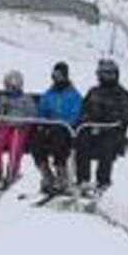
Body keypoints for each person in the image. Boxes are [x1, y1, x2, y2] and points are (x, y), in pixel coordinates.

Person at [75, 58, 128, 193]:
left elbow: (124, 117)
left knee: (106, 144)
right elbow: (83, 110)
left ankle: (103, 181)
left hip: (112, 133)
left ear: (115, 75)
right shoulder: (94, 92)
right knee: (81, 138)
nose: (106, 77)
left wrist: (104, 125)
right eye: (103, 74)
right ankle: (83, 180)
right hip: (91, 130)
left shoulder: (122, 95)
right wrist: (87, 122)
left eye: (109, 74)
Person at [31, 62, 82, 194]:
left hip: (66, 129)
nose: (56, 78)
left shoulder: (73, 95)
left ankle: (62, 174)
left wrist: (62, 123)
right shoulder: (49, 93)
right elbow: (42, 109)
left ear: (65, 76)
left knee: (58, 139)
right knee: (36, 141)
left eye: (59, 75)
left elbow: (75, 115)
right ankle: (46, 174)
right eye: (54, 75)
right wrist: (43, 122)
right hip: (51, 127)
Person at [0, 69, 38, 188]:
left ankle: (11, 172)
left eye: (12, 86)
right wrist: (1, 109)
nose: (10, 89)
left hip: (20, 126)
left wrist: (25, 121)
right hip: (5, 124)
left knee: (15, 146)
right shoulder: (4, 98)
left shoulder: (26, 99)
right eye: (8, 86)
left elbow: (33, 114)